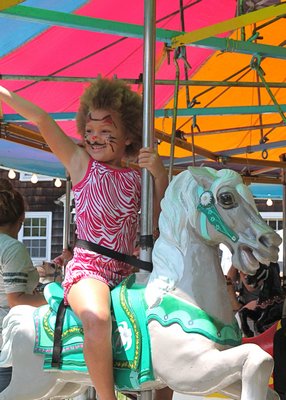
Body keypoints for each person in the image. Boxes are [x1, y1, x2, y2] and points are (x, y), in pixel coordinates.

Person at [0, 79, 169, 400]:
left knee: (163, 330)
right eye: (90, 131)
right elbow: (43, 120)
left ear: (129, 136)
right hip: (89, 271)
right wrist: (4, 94)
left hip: (129, 274)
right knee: (97, 318)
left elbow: (157, 222)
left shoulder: (137, 178)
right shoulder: (82, 165)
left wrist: (159, 176)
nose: (95, 138)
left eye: (106, 132)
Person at [0, 178, 46, 391]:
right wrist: (55, 296)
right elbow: (16, 300)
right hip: (6, 339)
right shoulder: (12, 248)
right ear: (21, 219)